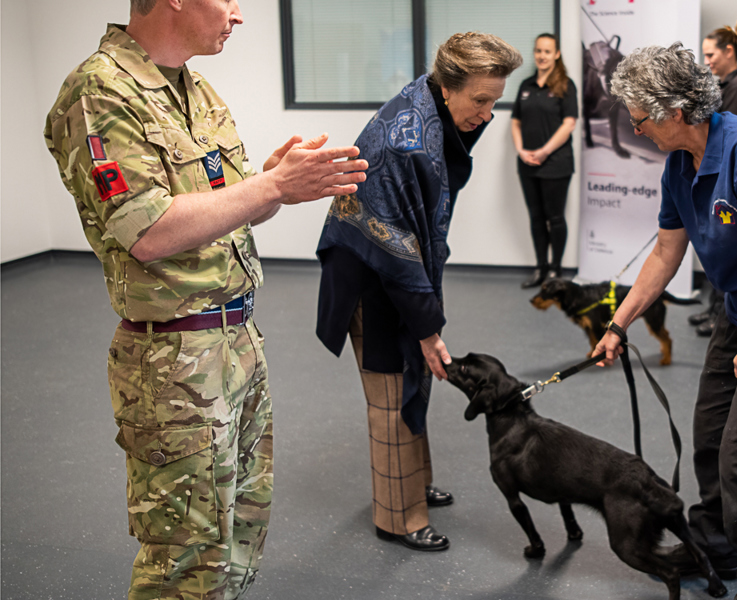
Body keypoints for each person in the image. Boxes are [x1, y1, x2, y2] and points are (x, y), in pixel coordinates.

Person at [43, 1, 368, 598]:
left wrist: (273, 186)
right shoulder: (100, 90)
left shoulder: (198, 91)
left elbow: (225, 211)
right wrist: (269, 186)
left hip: (237, 340)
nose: (238, 14)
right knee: (184, 555)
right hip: (172, 358)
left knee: (239, 534)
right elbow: (148, 231)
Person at [595, 43, 737, 600]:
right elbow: (666, 252)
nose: (636, 129)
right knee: (709, 437)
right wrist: (619, 323)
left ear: (675, 112)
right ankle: (715, 547)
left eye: (639, 118)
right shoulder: (679, 165)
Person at [315, 32, 522, 552]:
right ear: (449, 86)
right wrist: (429, 328)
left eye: (495, 101)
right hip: (372, 272)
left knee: (415, 378)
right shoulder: (406, 140)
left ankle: (413, 480)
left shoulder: (430, 101)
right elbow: (397, 247)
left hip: (394, 263)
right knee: (390, 391)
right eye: (480, 101)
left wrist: (426, 328)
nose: (487, 113)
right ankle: (398, 516)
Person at [690, 19, 737, 336]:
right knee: (717, 247)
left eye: (710, 55)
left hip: (730, 182)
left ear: (729, 51)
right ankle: (713, 311)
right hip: (718, 177)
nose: (707, 62)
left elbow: (732, 138)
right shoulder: (725, 86)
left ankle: (722, 316)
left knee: (728, 246)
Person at [512, 33, 578, 289]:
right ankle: (540, 268)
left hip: (556, 163)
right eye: (538, 50)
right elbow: (515, 121)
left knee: (555, 217)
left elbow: (569, 123)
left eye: (547, 51)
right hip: (527, 163)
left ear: (557, 54)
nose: (542, 55)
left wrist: (543, 151)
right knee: (536, 217)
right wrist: (521, 150)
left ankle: (556, 271)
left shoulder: (565, 85)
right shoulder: (526, 85)